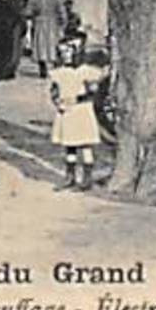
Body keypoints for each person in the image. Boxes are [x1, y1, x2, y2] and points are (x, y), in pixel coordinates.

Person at [48, 29, 107, 191]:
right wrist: (57, 101)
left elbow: (94, 92)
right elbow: (54, 90)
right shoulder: (59, 73)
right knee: (69, 145)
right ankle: (70, 176)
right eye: (63, 52)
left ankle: (87, 178)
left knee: (85, 144)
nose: (66, 55)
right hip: (66, 111)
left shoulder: (85, 72)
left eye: (69, 51)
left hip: (81, 111)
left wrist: (78, 99)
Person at [25, 0, 62, 72]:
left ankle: (43, 67)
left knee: (40, 46)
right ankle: (54, 64)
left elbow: (28, 13)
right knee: (52, 44)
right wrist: (61, 23)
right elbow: (61, 11)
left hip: (40, 23)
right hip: (52, 23)